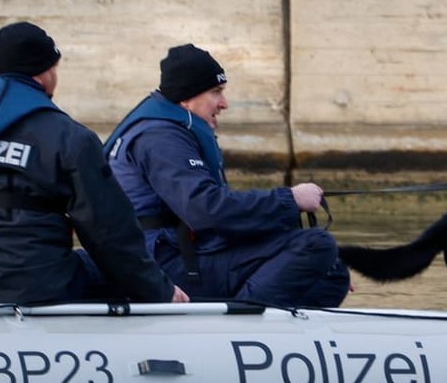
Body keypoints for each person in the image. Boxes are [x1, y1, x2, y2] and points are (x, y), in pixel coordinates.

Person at [0, 21, 184, 305]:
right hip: (38, 289)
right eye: (54, 69)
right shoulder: (71, 136)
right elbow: (109, 234)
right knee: (107, 266)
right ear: (43, 75)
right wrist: (160, 291)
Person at [104, 44, 349, 308]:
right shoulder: (161, 139)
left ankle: (268, 328)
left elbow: (215, 217)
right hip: (164, 265)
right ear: (186, 97)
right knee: (317, 245)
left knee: (332, 271)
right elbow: (206, 210)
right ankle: (237, 327)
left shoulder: (166, 130)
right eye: (216, 92)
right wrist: (290, 199)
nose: (224, 104)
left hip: (179, 254)